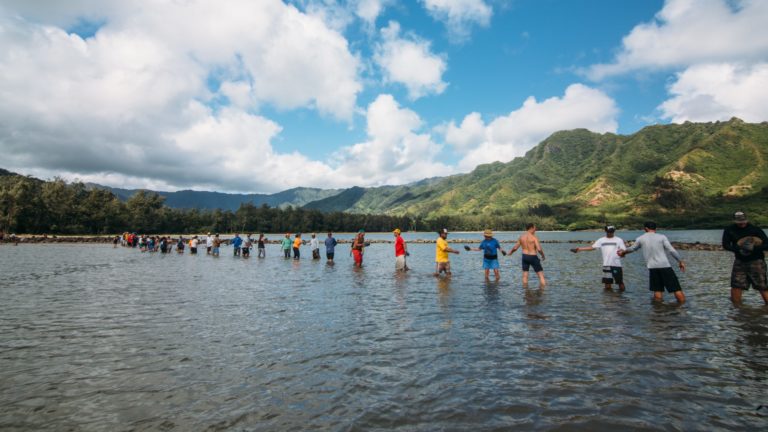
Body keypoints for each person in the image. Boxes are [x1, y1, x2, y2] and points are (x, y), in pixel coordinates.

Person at [619, 221, 686, 304]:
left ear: (645, 228)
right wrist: (680, 261)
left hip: (652, 267)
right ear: (655, 228)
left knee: (657, 290)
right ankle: (683, 309)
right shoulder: (662, 237)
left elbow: (632, 248)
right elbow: (671, 250)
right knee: (676, 288)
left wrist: (623, 252)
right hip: (665, 266)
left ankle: (658, 312)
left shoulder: (640, 238)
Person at [722, 211, 768, 305]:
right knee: (736, 286)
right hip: (739, 261)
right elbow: (726, 245)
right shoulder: (729, 230)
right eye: (739, 222)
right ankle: (737, 311)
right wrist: (738, 249)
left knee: (762, 286)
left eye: (743, 221)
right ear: (734, 221)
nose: (742, 223)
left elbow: (767, 245)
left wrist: (754, 248)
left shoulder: (755, 229)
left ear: (747, 219)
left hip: (757, 261)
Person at [571, 225, 626, 290]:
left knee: (620, 283)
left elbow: (623, 250)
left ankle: (622, 299)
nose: (610, 233)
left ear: (614, 231)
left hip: (616, 265)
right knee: (607, 284)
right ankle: (609, 299)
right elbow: (592, 247)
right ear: (606, 231)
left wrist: (622, 253)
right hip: (606, 265)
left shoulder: (619, 240)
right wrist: (580, 249)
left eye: (612, 231)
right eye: (609, 231)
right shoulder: (601, 240)